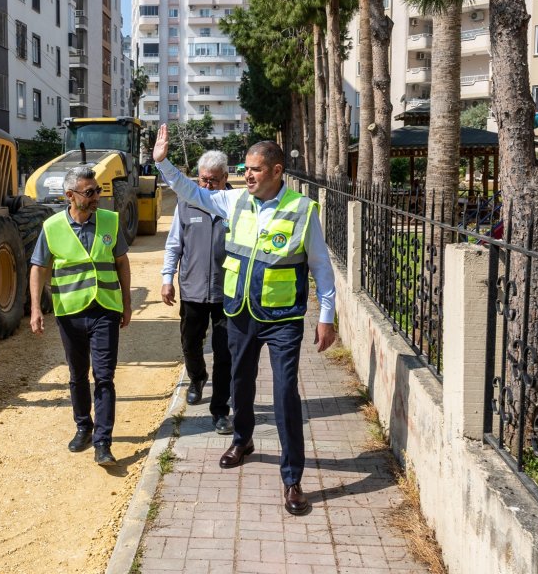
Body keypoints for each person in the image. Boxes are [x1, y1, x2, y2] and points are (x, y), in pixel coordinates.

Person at [152, 125, 337, 516]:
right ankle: (242, 439)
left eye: (255, 169)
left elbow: (321, 266)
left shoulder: (302, 211)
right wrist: (163, 162)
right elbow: (191, 192)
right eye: (245, 168)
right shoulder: (234, 202)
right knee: (239, 382)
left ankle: (292, 479)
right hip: (240, 313)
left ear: (276, 171)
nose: (247, 175)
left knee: (286, 394)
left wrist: (326, 316)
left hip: (284, 317)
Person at [29, 166, 133, 466]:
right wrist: (36, 308)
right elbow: (38, 268)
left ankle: (103, 442)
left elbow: (122, 263)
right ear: (70, 196)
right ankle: (83, 427)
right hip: (70, 312)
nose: (96, 196)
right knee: (77, 375)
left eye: (97, 190)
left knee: (104, 376)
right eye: (89, 192)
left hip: (105, 309)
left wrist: (126, 303)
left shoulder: (110, 221)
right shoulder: (52, 227)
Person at [161, 150, 233, 435]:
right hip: (192, 289)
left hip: (227, 291)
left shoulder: (237, 205)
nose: (207, 186)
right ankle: (197, 377)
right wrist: (168, 278)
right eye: (203, 180)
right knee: (190, 343)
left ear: (226, 178)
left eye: (213, 180)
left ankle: (220, 411)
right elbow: (173, 245)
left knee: (224, 352)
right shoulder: (186, 203)